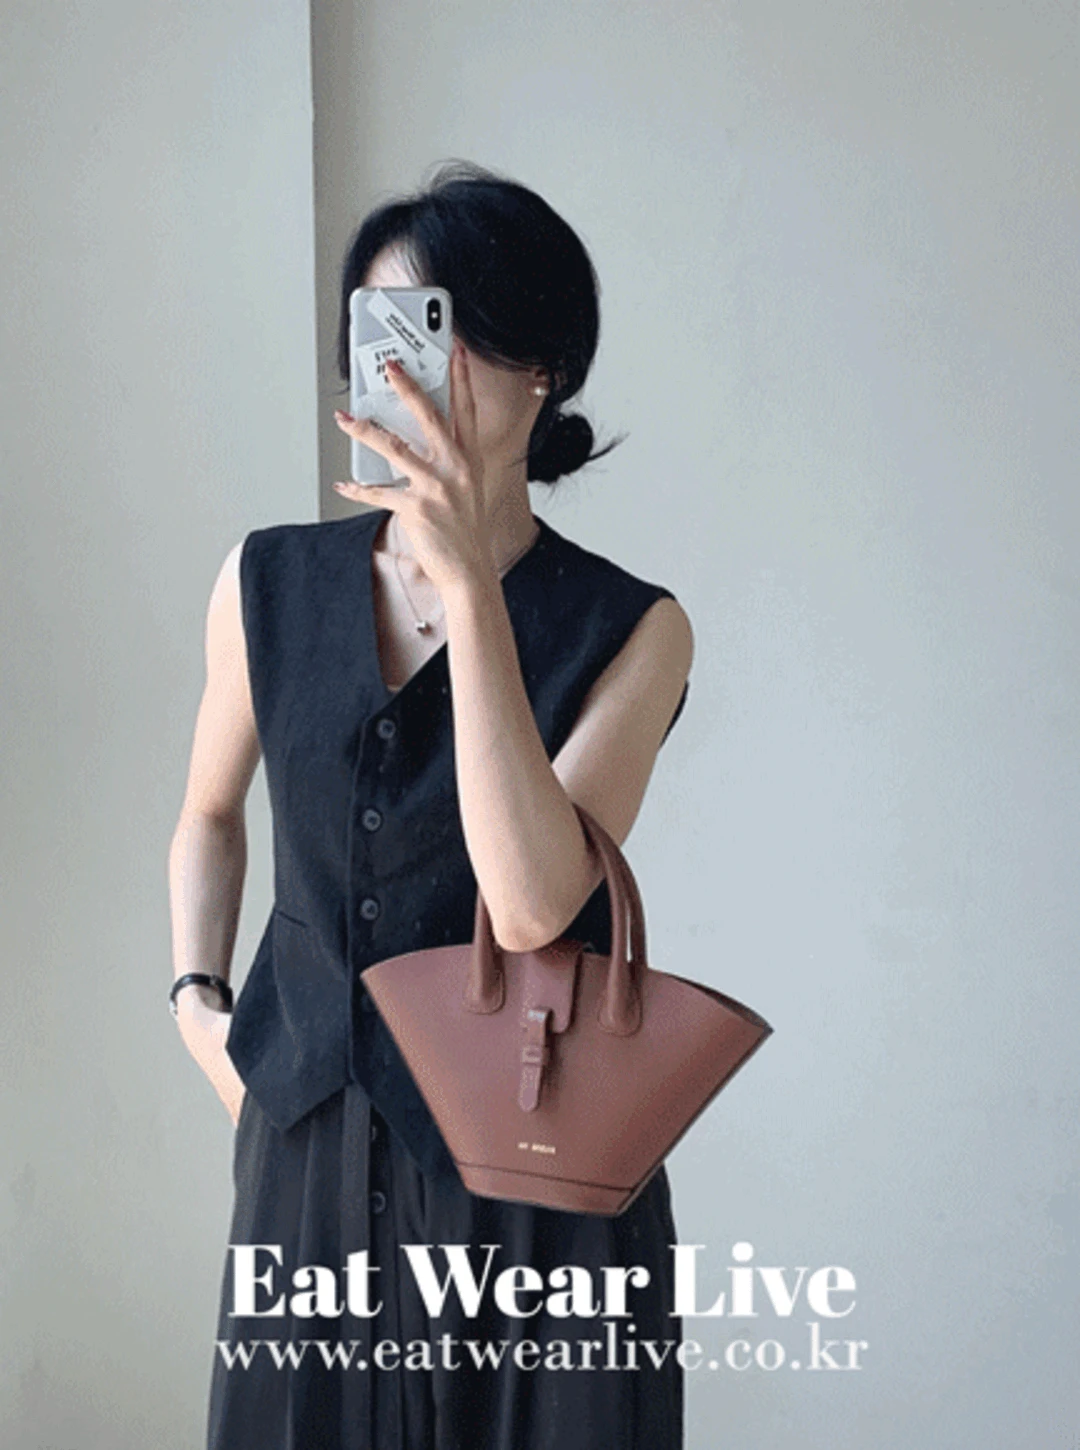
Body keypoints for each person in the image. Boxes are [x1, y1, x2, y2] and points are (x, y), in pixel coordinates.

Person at [168, 161, 694, 1450]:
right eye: (387, 329)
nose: (416, 371)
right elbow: (210, 815)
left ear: (544, 367)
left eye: (450, 329)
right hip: (305, 1151)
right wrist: (197, 1006)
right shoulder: (267, 582)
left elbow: (531, 907)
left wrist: (466, 586)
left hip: (541, 1184)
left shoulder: (635, 629)